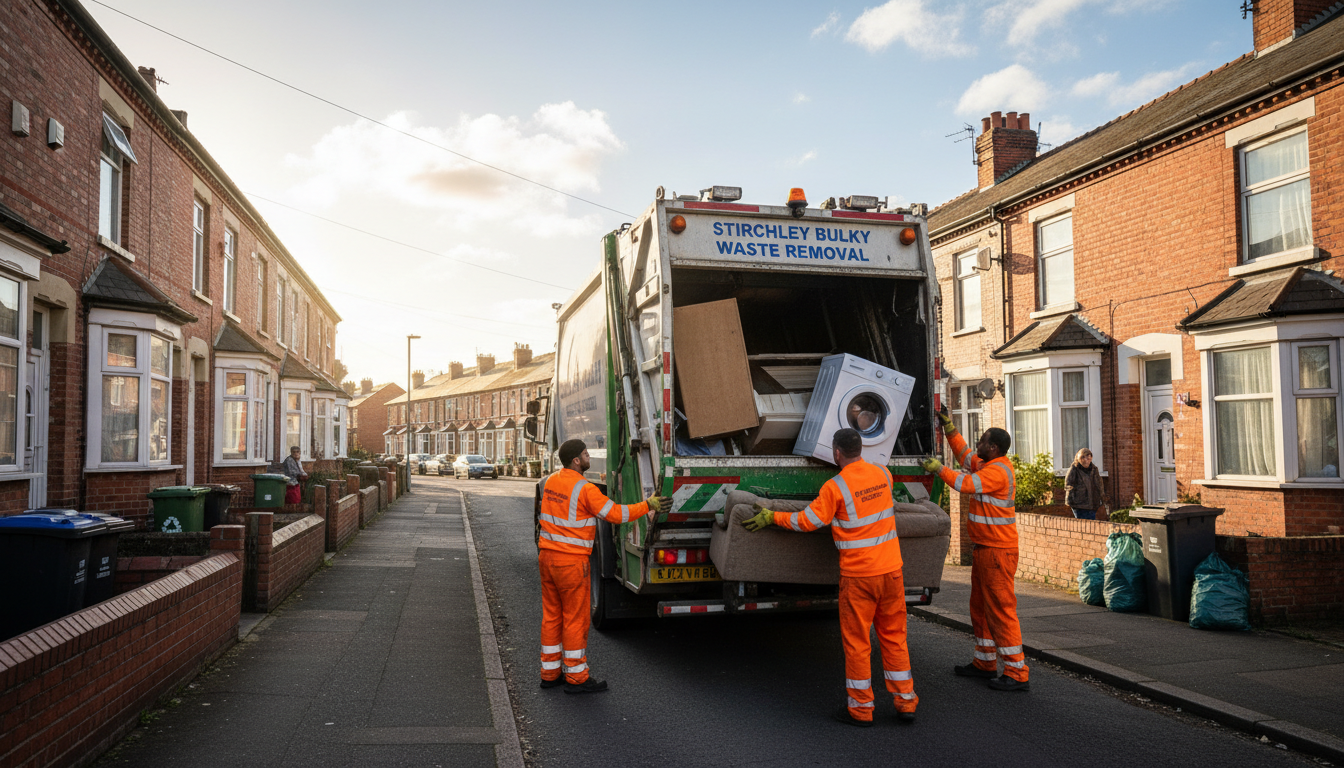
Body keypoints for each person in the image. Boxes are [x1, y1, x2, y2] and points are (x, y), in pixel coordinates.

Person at [743, 427, 918, 726]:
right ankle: (905, 703)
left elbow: (809, 521)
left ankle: (862, 710)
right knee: (894, 638)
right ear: (860, 448)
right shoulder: (883, 475)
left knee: (858, 643)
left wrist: (773, 516)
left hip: (859, 576)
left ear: (836, 453)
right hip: (891, 572)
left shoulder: (835, 488)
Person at [536, 439, 670, 694]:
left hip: (547, 558)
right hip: (571, 562)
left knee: (552, 616)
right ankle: (576, 678)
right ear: (576, 460)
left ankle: (550, 673)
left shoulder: (551, 481)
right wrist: (648, 505)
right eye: (586, 454)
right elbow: (616, 514)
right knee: (575, 619)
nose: (589, 457)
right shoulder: (585, 489)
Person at [922, 408, 1029, 692]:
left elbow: (964, 484)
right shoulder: (988, 463)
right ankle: (985, 662)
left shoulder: (997, 472)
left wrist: (938, 469)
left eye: (982, 441)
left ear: (993, 448)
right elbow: (966, 456)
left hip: (997, 552)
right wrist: (949, 429)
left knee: (1002, 611)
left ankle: (1017, 672)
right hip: (986, 551)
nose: (977, 444)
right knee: (980, 609)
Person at [1065, 448, 1106, 520]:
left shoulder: (1094, 469)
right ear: (1079, 458)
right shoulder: (1074, 469)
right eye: (1084, 457)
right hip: (1079, 504)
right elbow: (1068, 485)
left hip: (1093, 503)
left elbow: (1099, 485)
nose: (1087, 460)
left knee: (1091, 526)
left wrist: (1102, 499)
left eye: (1089, 457)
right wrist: (1070, 501)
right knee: (1082, 526)